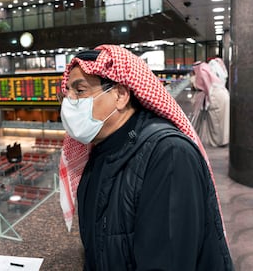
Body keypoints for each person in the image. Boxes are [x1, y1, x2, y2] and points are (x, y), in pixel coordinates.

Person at [58, 45, 233, 270]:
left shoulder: (169, 155)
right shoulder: (103, 148)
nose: (68, 102)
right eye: (67, 93)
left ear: (121, 95)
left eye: (80, 91)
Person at [191, 61, 229, 147]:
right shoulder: (209, 73)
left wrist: (208, 102)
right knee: (222, 121)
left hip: (216, 97)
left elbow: (208, 89)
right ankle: (222, 141)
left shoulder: (203, 73)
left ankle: (217, 142)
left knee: (216, 122)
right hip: (223, 96)